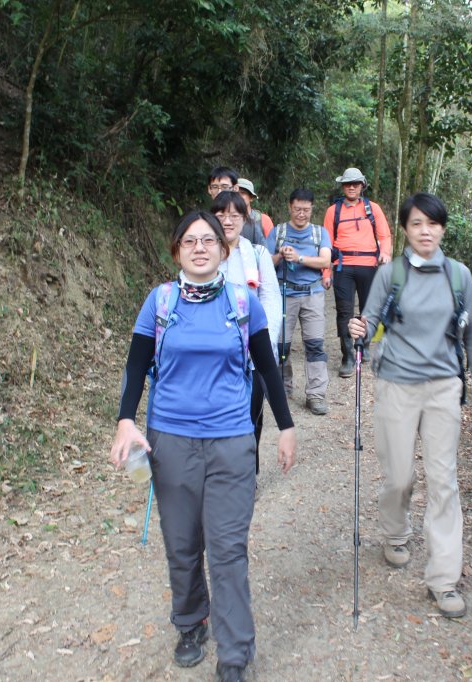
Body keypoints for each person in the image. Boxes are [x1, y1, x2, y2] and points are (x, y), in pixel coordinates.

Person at [109, 211, 296, 682]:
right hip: (170, 440)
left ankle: (235, 654)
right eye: (189, 241)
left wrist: (287, 426)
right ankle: (191, 623)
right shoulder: (160, 302)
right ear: (176, 250)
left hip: (232, 440)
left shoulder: (242, 302)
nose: (199, 248)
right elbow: (135, 367)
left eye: (208, 240)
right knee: (183, 544)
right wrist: (125, 421)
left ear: (223, 248)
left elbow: (268, 369)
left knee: (228, 549)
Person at [348, 192, 472, 619]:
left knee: (443, 481)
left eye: (432, 223)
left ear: (443, 228)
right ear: (406, 230)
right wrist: (361, 327)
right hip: (396, 385)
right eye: (416, 224)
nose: (425, 231)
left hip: (444, 387)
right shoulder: (391, 274)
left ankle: (443, 580)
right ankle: (395, 532)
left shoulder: (459, 276)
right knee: (399, 476)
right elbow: (370, 321)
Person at [212, 190, 282, 469]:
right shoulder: (205, 251)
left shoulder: (257, 253)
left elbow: (270, 299)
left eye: (235, 215)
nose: (228, 221)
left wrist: (266, 341)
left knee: (250, 413)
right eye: (221, 215)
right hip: (214, 351)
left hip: (252, 352)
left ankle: (246, 471)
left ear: (245, 219)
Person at [265, 188, 333, 415]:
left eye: (306, 209)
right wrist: (280, 255)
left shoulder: (319, 232)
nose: (301, 214)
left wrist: (300, 258)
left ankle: (315, 394)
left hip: (312, 294)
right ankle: (282, 388)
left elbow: (326, 261)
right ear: (289, 207)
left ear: (312, 209)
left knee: (314, 345)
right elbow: (266, 263)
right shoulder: (278, 231)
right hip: (284, 294)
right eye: (297, 209)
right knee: (280, 344)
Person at [322, 167, 392, 378]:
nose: (351, 187)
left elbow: (385, 235)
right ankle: (347, 357)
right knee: (344, 311)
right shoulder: (332, 211)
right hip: (343, 266)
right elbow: (326, 244)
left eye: (355, 183)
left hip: (369, 265)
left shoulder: (373, 208)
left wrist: (386, 253)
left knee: (368, 309)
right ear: (342, 186)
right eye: (347, 184)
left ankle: (364, 344)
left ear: (362, 185)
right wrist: (326, 272)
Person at [237, 178, 274, 243]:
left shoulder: (263, 220)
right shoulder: (226, 220)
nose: (238, 196)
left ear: (251, 197)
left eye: (242, 193)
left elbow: (271, 247)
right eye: (235, 193)